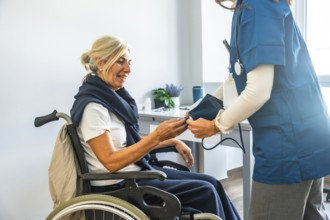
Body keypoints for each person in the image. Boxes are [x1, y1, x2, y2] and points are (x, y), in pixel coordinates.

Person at [70, 35, 241, 220]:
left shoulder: (111, 101)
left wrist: (171, 140)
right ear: (101, 62)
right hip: (120, 186)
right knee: (205, 191)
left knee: (212, 182)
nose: (128, 69)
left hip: (135, 175)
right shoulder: (93, 108)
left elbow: (126, 145)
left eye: (129, 62)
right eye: (120, 62)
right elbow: (111, 161)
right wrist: (156, 137)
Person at [186, 0, 330, 219]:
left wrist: (217, 125)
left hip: (287, 145)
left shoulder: (256, 7)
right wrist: (201, 109)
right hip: (307, 137)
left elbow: (259, 90)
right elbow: (238, 74)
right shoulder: (256, 6)